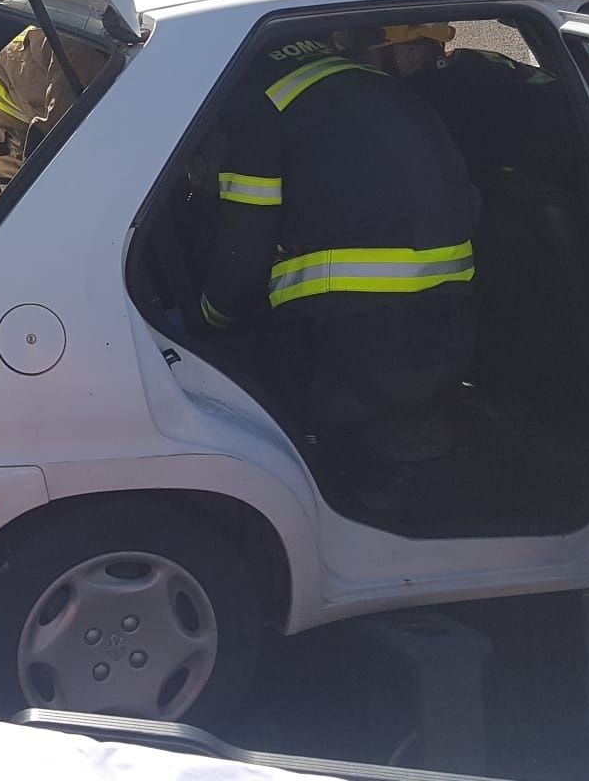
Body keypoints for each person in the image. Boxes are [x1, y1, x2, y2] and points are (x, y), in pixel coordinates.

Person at [196, 27, 479, 515]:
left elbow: (242, 258)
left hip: (357, 337)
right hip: (454, 320)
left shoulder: (255, 103)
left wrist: (210, 319)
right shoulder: (369, 85)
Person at [0, 25, 120, 192]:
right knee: (19, 204)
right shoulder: (79, 63)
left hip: (21, 75)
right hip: (6, 124)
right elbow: (57, 138)